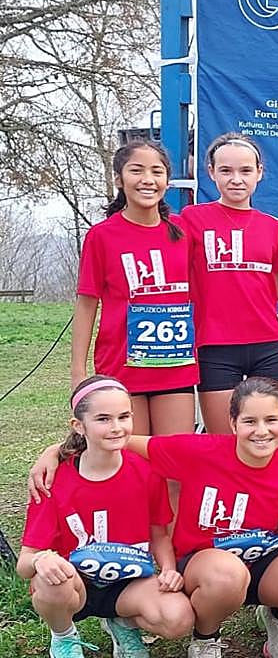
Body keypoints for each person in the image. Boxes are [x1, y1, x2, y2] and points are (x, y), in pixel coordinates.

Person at [30, 378, 278, 658]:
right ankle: (206, 639)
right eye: (250, 421)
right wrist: (55, 452)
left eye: (271, 420)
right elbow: (119, 438)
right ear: (232, 423)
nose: (261, 431)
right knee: (227, 574)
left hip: (262, 558)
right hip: (205, 564)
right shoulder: (198, 451)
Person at [18, 376, 194, 658]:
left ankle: (121, 622)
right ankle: (64, 639)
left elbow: (159, 534)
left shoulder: (146, 472)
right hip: (74, 586)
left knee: (177, 618)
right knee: (51, 578)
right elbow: (24, 563)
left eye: (124, 417)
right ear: (79, 426)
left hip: (127, 584)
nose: (116, 427)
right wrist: (41, 559)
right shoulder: (52, 480)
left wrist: (168, 569)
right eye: (103, 419)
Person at [72, 140, 197, 436]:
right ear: (119, 179)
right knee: (130, 458)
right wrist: (78, 372)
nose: (148, 180)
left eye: (157, 171)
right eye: (137, 170)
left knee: (175, 458)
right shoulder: (101, 236)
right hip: (122, 368)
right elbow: (87, 305)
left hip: (175, 367)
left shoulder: (184, 232)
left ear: (167, 181)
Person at [179, 133, 278, 433]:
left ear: (259, 172)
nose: (236, 179)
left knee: (271, 437)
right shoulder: (192, 219)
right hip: (215, 346)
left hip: (269, 344)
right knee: (224, 442)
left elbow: (277, 285)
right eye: (226, 171)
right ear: (211, 172)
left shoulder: (273, 226)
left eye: (245, 170)